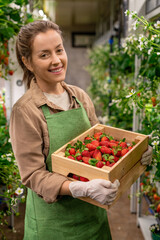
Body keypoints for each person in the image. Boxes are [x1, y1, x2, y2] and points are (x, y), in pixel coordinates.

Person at [9, 20, 152, 240]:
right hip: (53, 226)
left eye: (59, 50)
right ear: (27, 62)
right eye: (44, 55)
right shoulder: (25, 111)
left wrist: (133, 157)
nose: (56, 60)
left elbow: (101, 144)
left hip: (93, 218)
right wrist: (79, 188)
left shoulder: (80, 96)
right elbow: (33, 175)